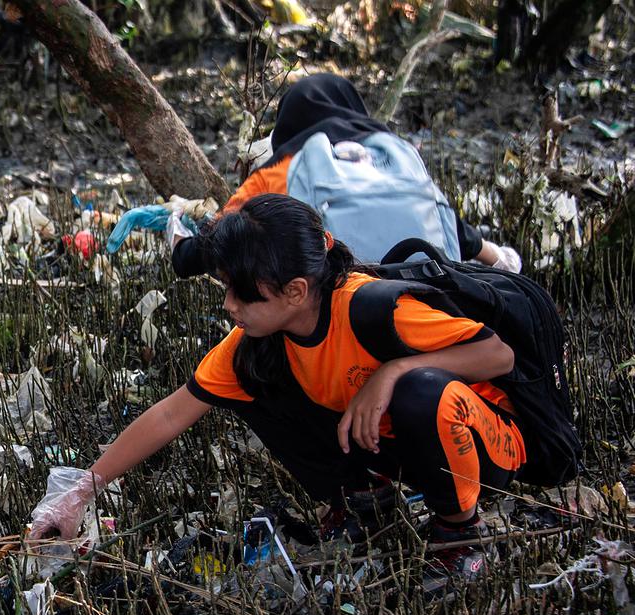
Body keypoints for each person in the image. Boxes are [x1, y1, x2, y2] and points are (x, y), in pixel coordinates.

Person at [33, 194, 529, 584]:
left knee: (419, 391)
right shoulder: (259, 342)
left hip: (482, 441)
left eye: (241, 293)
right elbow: (171, 414)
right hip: (393, 445)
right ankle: (361, 501)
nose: (228, 304)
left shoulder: (373, 308)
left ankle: (460, 535)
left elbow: (496, 355)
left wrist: (392, 372)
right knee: (256, 387)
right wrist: (79, 492)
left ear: (295, 290)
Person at [161, 73, 522, 276]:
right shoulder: (396, 155)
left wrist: (176, 233)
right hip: (434, 302)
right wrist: (501, 259)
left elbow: (207, 250)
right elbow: (451, 226)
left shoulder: (283, 171)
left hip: (344, 318)